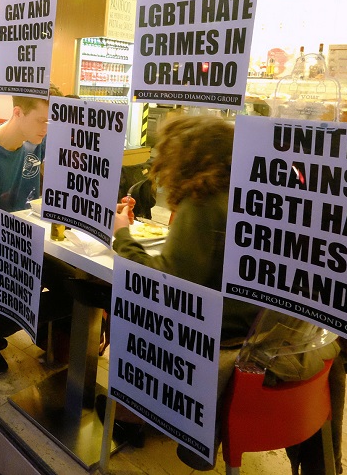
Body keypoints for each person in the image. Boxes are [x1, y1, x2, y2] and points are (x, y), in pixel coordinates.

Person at [111, 115, 261, 469]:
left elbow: (166, 286)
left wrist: (122, 237)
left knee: (124, 311)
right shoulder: (243, 193)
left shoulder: (203, 202)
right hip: (251, 329)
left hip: (215, 336)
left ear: (184, 158)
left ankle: (130, 420)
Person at [0, 95, 77, 374]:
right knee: (71, 290)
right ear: (17, 113)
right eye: (42, 120)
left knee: (75, 285)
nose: (47, 128)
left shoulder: (37, 140)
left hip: (28, 236)